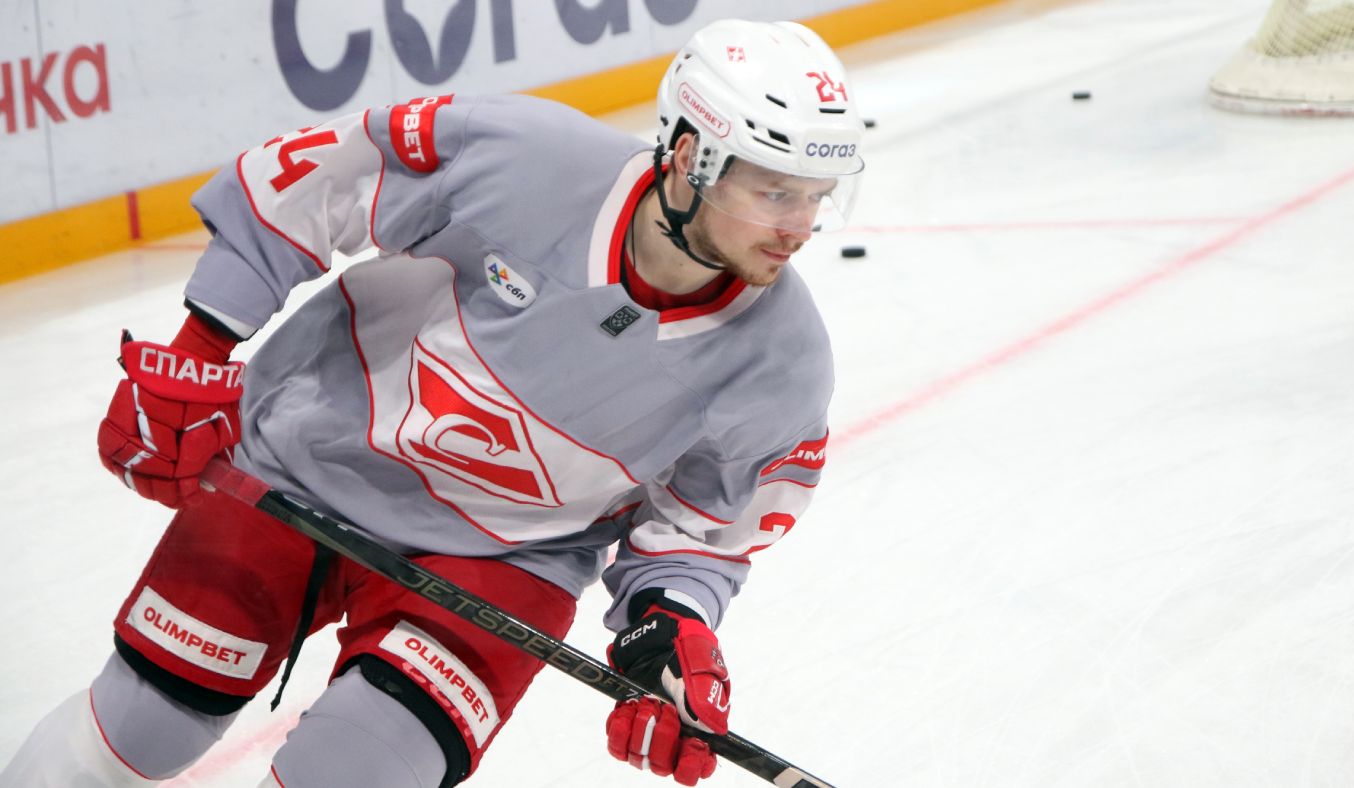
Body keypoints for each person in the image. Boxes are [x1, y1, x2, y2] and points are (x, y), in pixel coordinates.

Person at [0, 17, 864, 788]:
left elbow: (704, 532)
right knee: (137, 732)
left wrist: (669, 628)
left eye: (816, 197)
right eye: (775, 191)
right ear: (687, 156)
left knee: (349, 778)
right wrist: (199, 348)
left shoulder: (784, 365)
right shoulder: (524, 157)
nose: (799, 226)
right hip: (306, 461)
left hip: (509, 559)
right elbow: (316, 183)